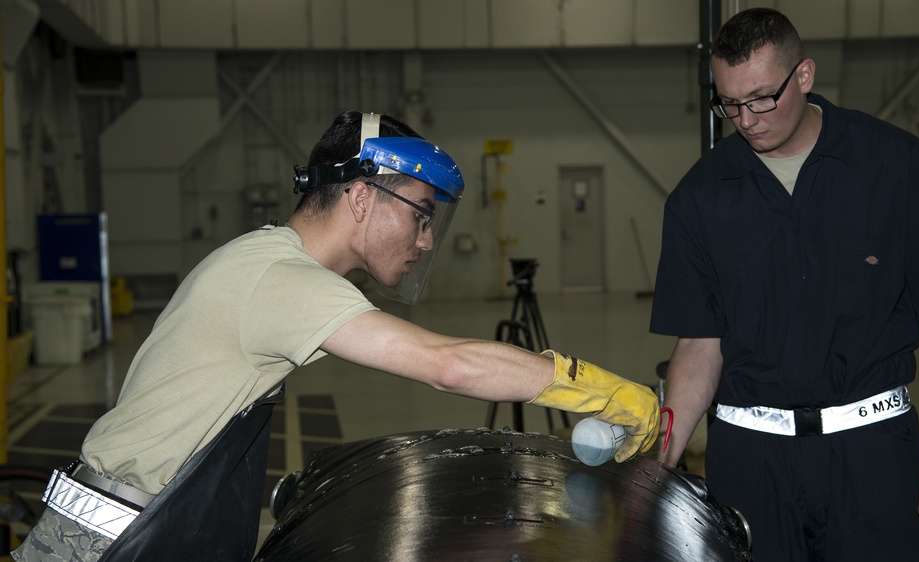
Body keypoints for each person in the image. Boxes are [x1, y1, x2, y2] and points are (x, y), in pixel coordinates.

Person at [14, 111, 659, 561]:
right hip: (110, 542)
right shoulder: (278, 278)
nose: (427, 239)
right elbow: (449, 365)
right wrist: (605, 393)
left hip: (151, 525)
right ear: (360, 198)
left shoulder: (272, 265)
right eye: (421, 214)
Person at [650, 8, 919, 562]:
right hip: (750, 463)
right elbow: (698, 345)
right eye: (730, 103)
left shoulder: (897, 165)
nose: (746, 118)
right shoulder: (699, 199)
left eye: (763, 97)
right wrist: (659, 459)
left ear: (805, 75)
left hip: (874, 456)